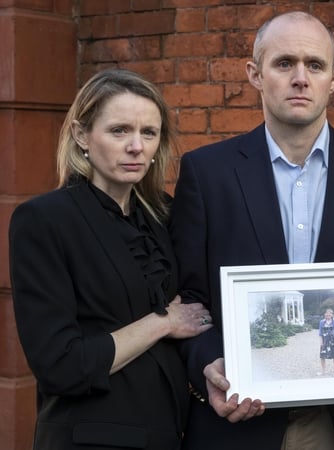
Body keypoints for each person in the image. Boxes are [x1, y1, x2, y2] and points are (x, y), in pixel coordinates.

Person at [169, 11, 334, 450]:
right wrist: (208, 361)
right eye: (284, 63)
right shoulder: (207, 173)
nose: (300, 78)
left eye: (314, 65)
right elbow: (190, 296)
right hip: (239, 423)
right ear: (255, 74)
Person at [8, 69, 213, 449]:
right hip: (90, 439)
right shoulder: (43, 220)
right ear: (81, 135)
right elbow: (60, 365)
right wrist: (163, 322)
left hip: (168, 435)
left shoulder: (162, 214)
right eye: (119, 131)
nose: (136, 146)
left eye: (148, 133)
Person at [318, 309, 334, 376]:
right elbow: (320, 333)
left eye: (329, 314)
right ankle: (323, 371)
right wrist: (321, 342)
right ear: (325, 314)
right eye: (327, 313)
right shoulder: (322, 322)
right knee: (322, 356)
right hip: (325, 341)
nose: (328, 315)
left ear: (332, 315)